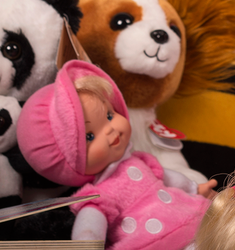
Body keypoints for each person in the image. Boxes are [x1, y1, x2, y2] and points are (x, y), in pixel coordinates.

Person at [16, 59, 216, 249]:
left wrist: (194, 188)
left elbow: (168, 177)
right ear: (69, 162)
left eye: (110, 115)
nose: (110, 130)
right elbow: (89, 227)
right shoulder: (97, 195)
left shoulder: (139, 160)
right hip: (150, 241)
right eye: (90, 136)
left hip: (188, 215)